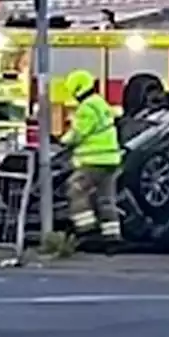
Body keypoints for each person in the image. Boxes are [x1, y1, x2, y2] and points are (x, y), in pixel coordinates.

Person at [60, 69, 122, 242]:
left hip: (93, 160)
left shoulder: (86, 108)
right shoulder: (101, 103)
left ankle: (87, 231)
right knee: (106, 199)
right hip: (111, 160)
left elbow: (79, 133)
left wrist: (63, 141)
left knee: (75, 190)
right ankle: (112, 236)